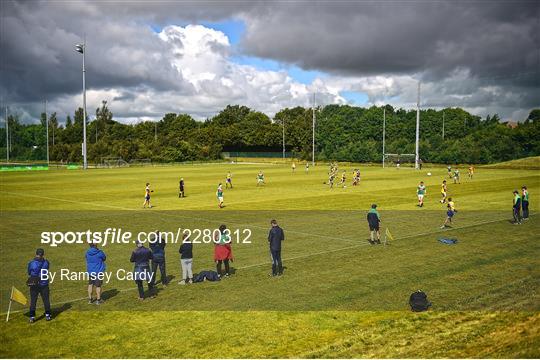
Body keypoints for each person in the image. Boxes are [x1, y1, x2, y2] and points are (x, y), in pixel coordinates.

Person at [27, 248, 51, 323]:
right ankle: (48, 315)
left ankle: (32, 316)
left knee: (33, 300)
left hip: (34, 284)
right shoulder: (46, 262)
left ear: (36, 254)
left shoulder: (32, 263)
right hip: (44, 283)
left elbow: (29, 272)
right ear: (43, 254)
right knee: (46, 300)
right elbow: (47, 268)